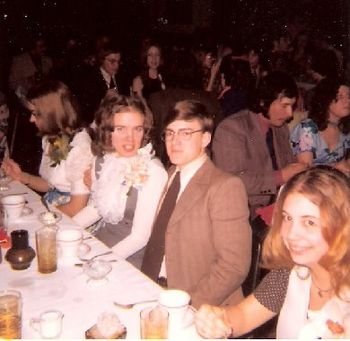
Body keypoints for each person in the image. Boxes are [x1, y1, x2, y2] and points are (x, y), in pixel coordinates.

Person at [195, 166, 350, 339]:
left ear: (342, 226)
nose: (291, 234)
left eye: (309, 222)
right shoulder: (289, 275)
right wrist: (220, 319)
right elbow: (244, 316)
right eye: (288, 218)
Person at [141, 99, 251, 308]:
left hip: (196, 303)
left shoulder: (225, 187)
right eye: (170, 133)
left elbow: (234, 267)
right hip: (151, 289)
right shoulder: (170, 173)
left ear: (205, 138)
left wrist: (186, 304)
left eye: (186, 133)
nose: (175, 141)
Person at [73, 94, 167, 269]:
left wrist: (99, 261)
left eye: (137, 129)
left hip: (131, 259)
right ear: (108, 131)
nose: (130, 138)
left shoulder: (153, 171)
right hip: (100, 244)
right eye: (121, 129)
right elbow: (97, 208)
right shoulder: (103, 160)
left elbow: (140, 237)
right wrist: (67, 230)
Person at [212, 71, 307, 218]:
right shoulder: (232, 128)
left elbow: (288, 165)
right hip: (244, 213)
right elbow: (231, 181)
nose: (290, 114)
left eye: (292, 106)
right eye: (285, 106)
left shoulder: (280, 128)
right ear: (263, 102)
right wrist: (280, 177)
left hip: (278, 208)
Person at [3, 81, 93, 217]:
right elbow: (51, 184)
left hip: (73, 218)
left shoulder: (80, 147)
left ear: (51, 113)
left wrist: (39, 215)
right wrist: (21, 176)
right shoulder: (53, 138)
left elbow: (77, 208)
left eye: (35, 114)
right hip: (53, 207)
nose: (31, 119)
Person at [290, 77, 350, 174]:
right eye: (340, 96)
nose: (347, 101)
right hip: (310, 186)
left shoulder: (345, 130)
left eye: (348, 96)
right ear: (326, 99)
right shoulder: (307, 128)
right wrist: (334, 169)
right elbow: (304, 171)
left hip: (335, 185)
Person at [76, 43, 129, 124]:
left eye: (119, 61)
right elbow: (85, 111)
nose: (116, 65)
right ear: (102, 59)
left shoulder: (122, 78)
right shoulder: (90, 80)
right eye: (112, 61)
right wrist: (104, 101)